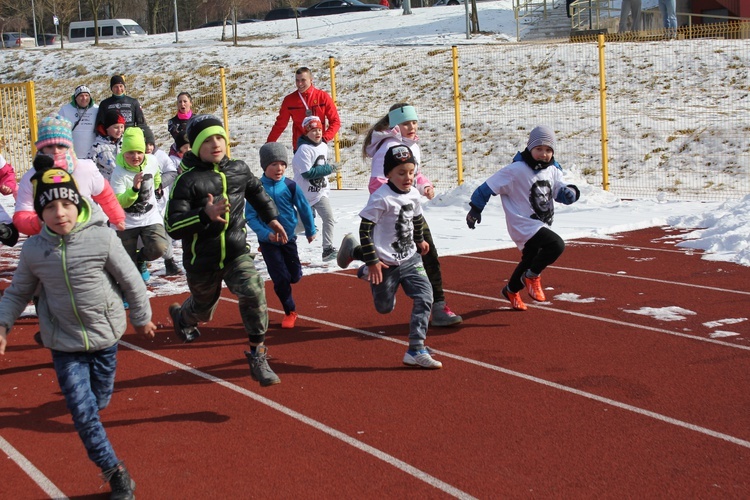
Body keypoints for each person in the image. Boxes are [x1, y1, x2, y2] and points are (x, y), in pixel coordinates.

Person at [0, 168, 156, 499]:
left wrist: (142, 317)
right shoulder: (34, 251)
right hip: (63, 341)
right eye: (49, 208)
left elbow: (130, 279)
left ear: (79, 204)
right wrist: (3, 327)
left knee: (100, 399)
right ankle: (115, 472)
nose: (59, 213)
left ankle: (96, 412)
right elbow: (16, 293)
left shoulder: (101, 237)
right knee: (83, 413)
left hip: (105, 335)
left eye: (65, 205)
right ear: (40, 213)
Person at [165, 115, 288, 387]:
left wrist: (271, 217)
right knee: (203, 312)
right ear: (196, 146)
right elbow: (172, 225)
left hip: (236, 253)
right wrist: (204, 215)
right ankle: (183, 316)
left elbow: (257, 192)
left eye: (219, 137)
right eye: (207, 140)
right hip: (202, 261)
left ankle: (258, 355)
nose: (216, 144)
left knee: (254, 290)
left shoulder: (239, 169)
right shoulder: (186, 181)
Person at [337, 144, 442, 369]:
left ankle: (416, 349)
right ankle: (361, 262)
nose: (408, 178)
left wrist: (420, 239)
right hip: (385, 263)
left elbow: (416, 218)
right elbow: (365, 230)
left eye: (411, 172)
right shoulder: (381, 198)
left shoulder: (414, 193)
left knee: (426, 296)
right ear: (388, 174)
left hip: (411, 258)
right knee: (384, 307)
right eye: (401, 173)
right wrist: (373, 262)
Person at [361, 103, 462, 327]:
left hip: (411, 209)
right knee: (387, 255)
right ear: (395, 125)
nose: (412, 126)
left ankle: (438, 306)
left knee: (428, 251)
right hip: (389, 213)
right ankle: (360, 255)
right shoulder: (387, 148)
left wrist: (424, 186)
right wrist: (393, 205)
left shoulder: (412, 146)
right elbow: (377, 183)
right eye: (406, 123)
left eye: (414, 122)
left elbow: (415, 174)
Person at [466, 125, 580, 311]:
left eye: (548, 150)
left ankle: (511, 290)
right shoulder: (516, 170)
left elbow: (559, 191)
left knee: (529, 259)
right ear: (529, 148)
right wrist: (475, 209)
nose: (544, 154)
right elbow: (487, 188)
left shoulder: (553, 169)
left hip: (541, 222)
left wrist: (571, 193)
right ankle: (532, 276)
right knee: (556, 245)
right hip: (522, 224)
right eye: (539, 149)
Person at [14, 115, 125, 236]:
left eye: (61, 146)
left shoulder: (85, 168)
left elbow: (105, 194)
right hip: (48, 240)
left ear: (69, 147)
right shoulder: (32, 177)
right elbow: (22, 213)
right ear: (41, 148)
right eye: (49, 146)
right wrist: (38, 223)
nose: (55, 151)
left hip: (84, 236)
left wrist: (117, 218)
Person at [247, 142, 316, 329]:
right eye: (274, 165)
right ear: (264, 166)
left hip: (289, 238)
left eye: (282, 164)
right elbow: (250, 216)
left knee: (295, 276)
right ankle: (290, 311)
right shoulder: (257, 189)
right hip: (268, 242)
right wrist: (265, 234)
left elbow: (303, 208)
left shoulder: (290, 186)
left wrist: (310, 230)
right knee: (281, 279)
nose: (279, 168)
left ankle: (292, 277)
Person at [110, 127, 169, 282]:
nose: (135, 156)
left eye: (139, 152)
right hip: (125, 221)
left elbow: (156, 174)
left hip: (149, 217)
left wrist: (157, 186)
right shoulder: (118, 172)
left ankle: (141, 259)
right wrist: (135, 188)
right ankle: (126, 291)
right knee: (124, 264)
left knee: (159, 247)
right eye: (130, 153)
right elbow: (120, 201)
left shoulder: (152, 160)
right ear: (124, 153)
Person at [291, 115, 340, 261]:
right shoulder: (303, 150)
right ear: (306, 132)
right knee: (303, 224)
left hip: (319, 192)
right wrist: (329, 169)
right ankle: (278, 237)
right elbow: (307, 174)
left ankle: (327, 249)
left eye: (319, 129)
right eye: (313, 130)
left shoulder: (324, 146)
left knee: (329, 218)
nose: (318, 133)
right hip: (304, 195)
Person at [267, 67, 341, 151]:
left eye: (303, 80)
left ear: (311, 79)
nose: (300, 84)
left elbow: (335, 121)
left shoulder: (323, 97)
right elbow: (280, 124)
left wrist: (324, 138)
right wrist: (269, 143)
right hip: (300, 147)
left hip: (319, 145)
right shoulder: (289, 100)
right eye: (297, 80)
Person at [142, 125, 182, 276]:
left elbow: (171, 172)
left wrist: (160, 183)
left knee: (165, 231)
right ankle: (142, 260)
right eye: (145, 144)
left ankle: (169, 261)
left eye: (151, 144)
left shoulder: (161, 156)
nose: (148, 148)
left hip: (161, 202)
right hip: (143, 204)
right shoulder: (134, 156)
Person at [58, 84, 99, 158]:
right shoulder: (65, 110)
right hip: (72, 154)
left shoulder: (96, 109)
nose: (84, 98)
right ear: (75, 97)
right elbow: (59, 129)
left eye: (87, 95)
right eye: (81, 96)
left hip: (92, 154)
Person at [88, 109, 126, 181]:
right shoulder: (98, 147)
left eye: (122, 127)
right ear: (107, 128)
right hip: (106, 186)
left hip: (124, 185)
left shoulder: (126, 142)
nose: (119, 130)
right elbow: (90, 168)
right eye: (116, 127)